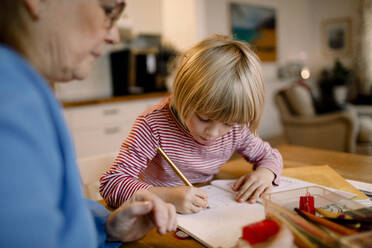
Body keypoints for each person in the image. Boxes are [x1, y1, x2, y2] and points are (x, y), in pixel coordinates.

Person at [0, 0, 177, 247]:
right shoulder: (11, 98)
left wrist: (106, 230)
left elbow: (59, 213)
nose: (115, 36)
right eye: (108, 10)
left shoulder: (28, 88)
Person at [100, 34, 283, 214]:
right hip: (157, 213)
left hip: (203, 207)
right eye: (204, 118)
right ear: (181, 95)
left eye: (228, 123)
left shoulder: (237, 128)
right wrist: (166, 197)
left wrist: (266, 174)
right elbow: (112, 183)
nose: (213, 132)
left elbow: (271, 157)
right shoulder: (153, 125)